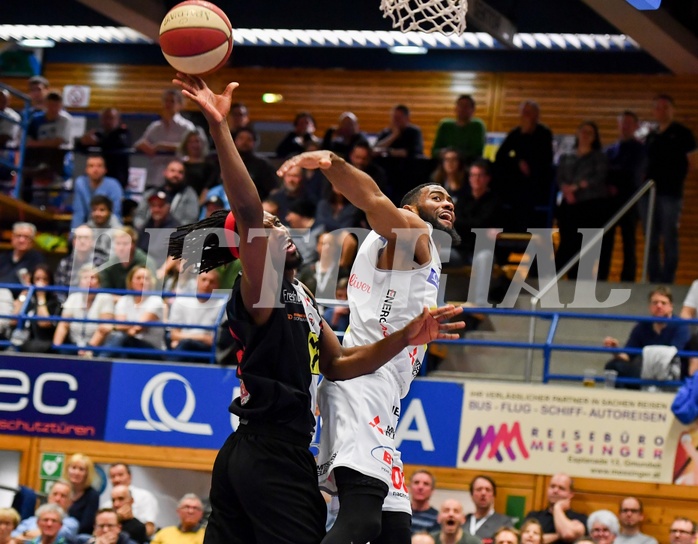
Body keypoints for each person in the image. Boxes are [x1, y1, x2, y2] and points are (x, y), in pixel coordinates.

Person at [172, 72, 463, 544]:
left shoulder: (303, 297)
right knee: (363, 522)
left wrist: (408, 336)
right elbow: (249, 213)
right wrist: (220, 128)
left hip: (285, 440)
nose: (281, 226)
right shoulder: (259, 287)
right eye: (271, 226)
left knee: (392, 528)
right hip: (269, 448)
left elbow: (340, 363)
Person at [278, 146, 461, 544]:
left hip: (382, 392)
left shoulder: (416, 250)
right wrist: (333, 164)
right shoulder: (413, 230)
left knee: (395, 528)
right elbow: (373, 199)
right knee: (361, 522)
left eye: (450, 199)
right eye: (437, 196)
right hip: (365, 385)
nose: (447, 202)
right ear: (410, 207)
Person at [643, 94, 697, 283]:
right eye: (658, 107)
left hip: (671, 194)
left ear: (672, 110)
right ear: (654, 111)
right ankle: (654, 277)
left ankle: (667, 279)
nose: (662, 111)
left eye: (666, 107)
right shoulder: (651, 136)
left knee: (669, 235)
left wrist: (675, 178)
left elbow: (693, 162)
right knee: (651, 238)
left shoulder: (683, 133)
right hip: (649, 193)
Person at [555, 121, 610, 280]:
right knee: (567, 243)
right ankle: (560, 279)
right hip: (569, 205)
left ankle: (580, 281)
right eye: (583, 131)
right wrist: (566, 189)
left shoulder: (599, 156)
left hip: (590, 206)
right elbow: (560, 177)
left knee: (585, 246)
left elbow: (599, 177)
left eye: (590, 133)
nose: (585, 135)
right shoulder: (566, 156)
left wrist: (576, 187)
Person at [604, 286, 690, 388]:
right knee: (614, 365)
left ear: (671, 306)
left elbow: (673, 356)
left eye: (663, 303)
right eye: (655, 302)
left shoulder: (680, 326)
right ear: (650, 307)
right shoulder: (642, 326)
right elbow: (628, 355)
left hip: (671, 372)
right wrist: (615, 350)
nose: (659, 306)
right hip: (646, 373)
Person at [493, 100, 554, 232]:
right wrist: (518, 161)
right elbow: (500, 156)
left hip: (536, 179)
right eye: (523, 113)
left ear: (536, 115)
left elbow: (545, 158)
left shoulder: (544, 133)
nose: (525, 116)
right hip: (516, 179)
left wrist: (527, 163)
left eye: (528, 113)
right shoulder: (516, 132)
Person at [601, 111, 646, 282]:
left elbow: (632, 173)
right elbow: (602, 172)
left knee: (629, 242)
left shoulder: (640, 150)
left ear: (635, 126)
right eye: (622, 122)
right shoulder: (610, 150)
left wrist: (615, 179)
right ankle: (602, 277)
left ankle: (628, 280)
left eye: (629, 123)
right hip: (609, 202)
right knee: (606, 241)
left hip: (629, 202)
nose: (625, 126)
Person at [452, 159, 504, 305]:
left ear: (487, 178)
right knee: (434, 256)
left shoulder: (494, 201)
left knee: (484, 258)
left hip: (482, 250)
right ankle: (430, 302)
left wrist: (464, 224)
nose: (476, 179)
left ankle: (479, 305)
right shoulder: (463, 199)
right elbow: (455, 224)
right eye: (473, 175)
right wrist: (476, 227)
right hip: (460, 250)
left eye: (480, 175)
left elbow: (480, 223)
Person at [135, 88, 197, 187]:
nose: (168, 104)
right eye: (166, 101)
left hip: (176, 177)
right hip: (154, 176)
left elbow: (193, 148)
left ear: (180, 105)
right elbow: (138, 143)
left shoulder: (187, 126)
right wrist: (143, 145)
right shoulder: (155, 126)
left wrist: (163, 146)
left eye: (172, 101)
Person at [100, 266, 165, 359]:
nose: (142, 282)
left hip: (152, 349)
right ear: (131, 282)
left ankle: (101, 361)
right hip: (127, 342)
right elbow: (122, 325)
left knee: (120, 338)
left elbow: (139, 327)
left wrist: (113, 327)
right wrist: (126, 329)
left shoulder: (156, 301)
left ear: (151, 282)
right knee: (120, 341)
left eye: (146, 278)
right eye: (138, 278)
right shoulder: (124, 300)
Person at [52, 265, 114, 355]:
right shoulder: (73, 297)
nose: (89, 281)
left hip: (98, 347)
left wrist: (89, 349)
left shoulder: (105, 298)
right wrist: (56, 348)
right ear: (80, 283)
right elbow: (63, 325)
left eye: (93, 278)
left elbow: (103, 329)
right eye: (85, 278)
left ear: (99, 283)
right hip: (75, 345)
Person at [167, 269, 226, 360]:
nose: (207, 284)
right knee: (185, 345)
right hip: (184, 346)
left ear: (217, 285)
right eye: (204, 280)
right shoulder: (181, 301)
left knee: (185, 345)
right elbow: (174, 334)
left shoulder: (223, 305)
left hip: (207, 349)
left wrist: (184, 337)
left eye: (212, 281)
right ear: (196, 281)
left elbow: (216, 340)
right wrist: (203, 337)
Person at [133, 159, 199, 230]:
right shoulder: (151, 193)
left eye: (180, 172)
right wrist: (144, 230)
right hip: (149, 233)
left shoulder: (189, 194)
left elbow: (191, 220)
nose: (176, 175)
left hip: (176, 236)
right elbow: (139, 216)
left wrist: (175, 233)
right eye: (172, 171)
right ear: (165, 172)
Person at [75, 107, 132, 188]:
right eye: (105, 118)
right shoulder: (98, 134)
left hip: (116, 179)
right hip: (97, 179)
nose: (108, 121)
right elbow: (79, 147)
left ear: (118, 120)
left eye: (111, 118)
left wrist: (97, 142)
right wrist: (83, 141)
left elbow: (119, 144)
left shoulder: (123, 133)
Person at [11, 264, 61, 353]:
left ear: (50, 282)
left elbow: (43, 323)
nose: (40, 283)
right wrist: (24, 293)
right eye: (37, 279)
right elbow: (13, 320)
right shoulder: (28, 299)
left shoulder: (54, 303)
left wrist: (41, 297)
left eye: (44, 279)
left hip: (43, 346)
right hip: (21, 342)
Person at [524, 473, 587, 544]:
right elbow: (528, 540)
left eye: (561, 488)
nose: (555, 490)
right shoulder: (534, 516)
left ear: (571, 494)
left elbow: (567, 534)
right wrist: (559, 535)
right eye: (552, 486)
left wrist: (557, 508)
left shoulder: (580, 518)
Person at [54, 225, 108, 304]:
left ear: (92, 241)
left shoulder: (101, 262)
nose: (82, 241)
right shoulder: (64, 263)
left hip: (95, 307)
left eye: (86, 238)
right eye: (79, 238)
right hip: (67, 306)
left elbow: (104, 289)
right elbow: (59, 290)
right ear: (74, 241)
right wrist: (67, 305)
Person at [102, 463, 158, 538]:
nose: (117, 479)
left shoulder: (145, 497)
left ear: (130, 476)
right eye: (113, 476)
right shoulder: (106, 505)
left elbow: (150, 530)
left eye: (120, 475)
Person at [70, 154, 124, 232]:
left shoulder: (114, 185)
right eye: (91, 166)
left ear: (105, 169)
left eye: (99, 166)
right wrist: (74, 236)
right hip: (88, 229)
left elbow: (116, 213)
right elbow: (79, 213)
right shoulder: (80, 183)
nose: (95, 170)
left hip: (110, 228)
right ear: (86, 169)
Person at [12, 481, 78, 542]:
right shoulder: (31, 520)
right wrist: (25, 534)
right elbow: (13, 536)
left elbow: (56, 533)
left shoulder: (71, 523)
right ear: (49, 497)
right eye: (55, 494)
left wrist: (26, 535)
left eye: (63, 496)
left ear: (70, 502)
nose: (57, 499)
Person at [432, 95, 486, 163]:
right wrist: (444, 154)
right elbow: (435, 151)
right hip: (445, 165)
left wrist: (453, 155)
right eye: (460, 105)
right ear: (455, 108)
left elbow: (477, 152)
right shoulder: (445, 125)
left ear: (473, 110)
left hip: (468, 166)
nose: (462, 109)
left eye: (466, 106)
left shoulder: (477, 125)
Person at [230, 127, 280, 201]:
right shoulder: (224, 162)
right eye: (241, 138)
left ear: (254, 143)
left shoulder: (263, 165)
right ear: (234, 141)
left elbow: (274, 190)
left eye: (249, 139)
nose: (244, 142)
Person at [136, 190, 180, 268]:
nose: (156, 209)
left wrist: (163, 271)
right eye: (153, 205)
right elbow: (139, 249)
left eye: (160, 206)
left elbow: (177, 254)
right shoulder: (147, 225)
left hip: (161, 272)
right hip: (143, 269)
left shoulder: (176, 228)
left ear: (168, 207)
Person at [465, 475, 514, 543]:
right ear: (472, 495)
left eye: (488, 490)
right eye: (479, 489)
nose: (483, 493)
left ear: (493, 496)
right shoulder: (462, 521)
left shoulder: (504, 523)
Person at [0, 222, 46, 294]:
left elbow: (34, 285)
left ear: (32, 240)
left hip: (19, 299)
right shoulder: (3, 257)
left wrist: (21, 300)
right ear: (12, 237)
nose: (21, 240)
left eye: (26, 237)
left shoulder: (37, 259)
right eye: (18, 236)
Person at [61, 454, 100, 535]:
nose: (76, 472)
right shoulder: (61, 490)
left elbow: (86, 526)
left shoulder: (92, 495)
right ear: (67, 469)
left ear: (87, 474)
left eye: (81, 469)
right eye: (73, 468)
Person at [177, 129, 217, 198]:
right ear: (185, 145)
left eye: (197, 141)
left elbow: (208, 188)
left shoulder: (210, 165)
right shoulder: (181, 166)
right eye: (191, 142)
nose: (195, 145)